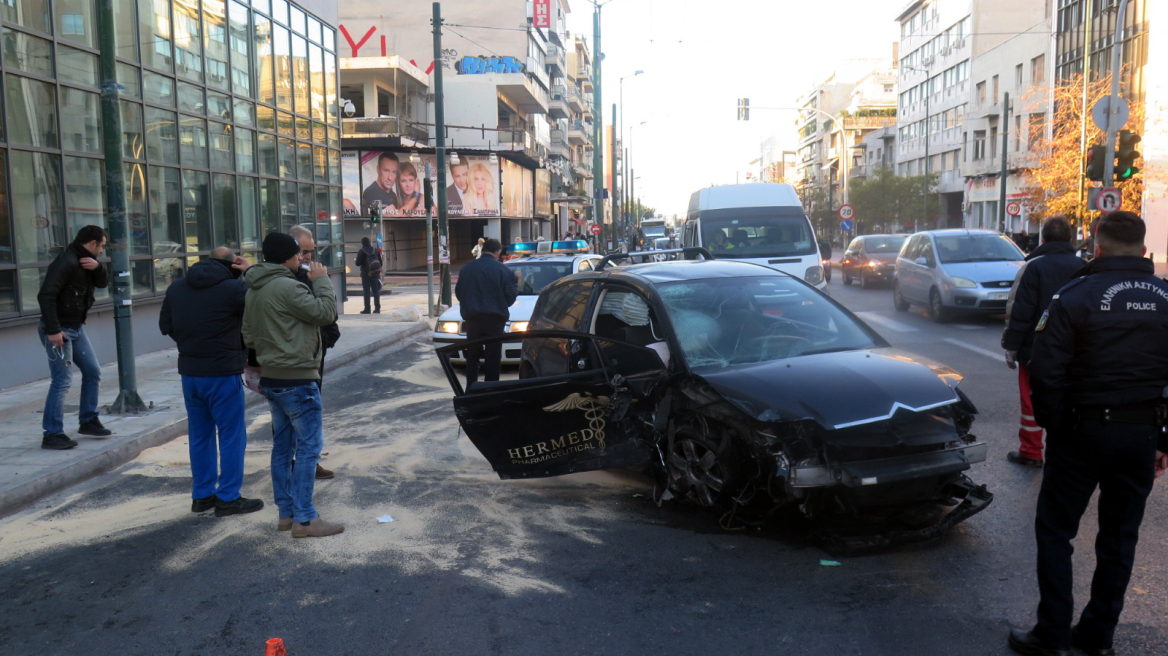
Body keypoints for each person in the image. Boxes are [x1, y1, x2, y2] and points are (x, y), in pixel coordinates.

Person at [1009, 211, 1168, 656]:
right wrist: (1164, 439)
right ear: (1142, 249)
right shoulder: (1166, 297)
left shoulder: (1074, 295)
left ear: (1096, 246)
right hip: (1140, 434)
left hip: (1081, 430)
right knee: (1120, 538)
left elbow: (1045, 369)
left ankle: (1053, 635)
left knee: (1056, 531)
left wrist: (1057, 426)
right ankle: (1098, 637)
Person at [243, 232, 343, 538]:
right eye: (299, 253)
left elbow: (248, 336)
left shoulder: (254, 289)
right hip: (297, 378)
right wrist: (323, 280)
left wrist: (278, 340)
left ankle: (286, 514)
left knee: (282, 448)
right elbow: (325, 313)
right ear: (287, 256)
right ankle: (304, 518)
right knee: (310, 447)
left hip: (272, 377)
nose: (303, 258)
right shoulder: (287, 285)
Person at [160, 246, 264, 517]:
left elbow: (166, 326)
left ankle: (202, 495)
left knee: (199, 435)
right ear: (232, 265)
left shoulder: (176, 288)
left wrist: (193, 346)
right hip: (221, 372)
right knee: (231, 435)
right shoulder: (233, 289)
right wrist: (250, 271)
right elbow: (263, 302)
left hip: (190, 372)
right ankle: (228, 497)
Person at [1001, 217, 1085, 468]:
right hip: (1075, 349)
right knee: (1073, 398)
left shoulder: (1033, 267)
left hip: (1035, 349)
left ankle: (1031, 451)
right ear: (1070, 240)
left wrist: (1011, 346)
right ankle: (1070, 452)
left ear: (1044, 239)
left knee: (1031, 400)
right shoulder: (1084, 266)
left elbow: (1020, 310)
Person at [37, 225, 111, 450]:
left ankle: (88, 420)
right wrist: (53, 330)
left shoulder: (87, 261)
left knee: (92, 371)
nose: (102, 251)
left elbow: (102, 283)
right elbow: (46, 295)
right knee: (62, 381)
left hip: (76, 328)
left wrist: (98, 268)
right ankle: (52, 434)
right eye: (101, 247)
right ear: (92, 244)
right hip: (60, 330)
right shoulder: (66, 262)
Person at [288, 226, 340, 480]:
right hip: (299, 358)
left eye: (311, 251)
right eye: (304, 251)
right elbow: (323, 312)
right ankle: (303, 464)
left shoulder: (306, 275)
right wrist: (321, 282)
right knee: (304, 413)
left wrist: (327, 339)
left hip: (312, 354)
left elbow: (330, 317)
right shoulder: (292, 281)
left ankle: (304, 460)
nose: (308, 256)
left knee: (308, 410)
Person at [455, 238, 518, 386]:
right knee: (493, 356)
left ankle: (471, 388)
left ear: (482, 250)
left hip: (472, 318)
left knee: (472, 356)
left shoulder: (467, 268)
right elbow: (510, 297)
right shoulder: (503, 270)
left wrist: (470, 304)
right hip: (495, 319)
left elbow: (459, 292)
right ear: (497, 251)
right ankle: (491, 388)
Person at [362, 152, 399, 217]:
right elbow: (372, 219)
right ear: (378, 169)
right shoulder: (370, 192)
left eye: (394, 172)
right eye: (386, 171)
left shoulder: (393, 195)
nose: (390, 178)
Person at [354, 236, 383, 314]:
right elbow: (380, 262)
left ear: (362, 243)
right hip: (375, 274)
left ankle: (367, 309)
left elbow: (357, 263)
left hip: (365, 274)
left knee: (366, 291)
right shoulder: (375, 250)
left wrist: (356, 260)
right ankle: (377, 308)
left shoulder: (361, 251)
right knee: (376, 291)